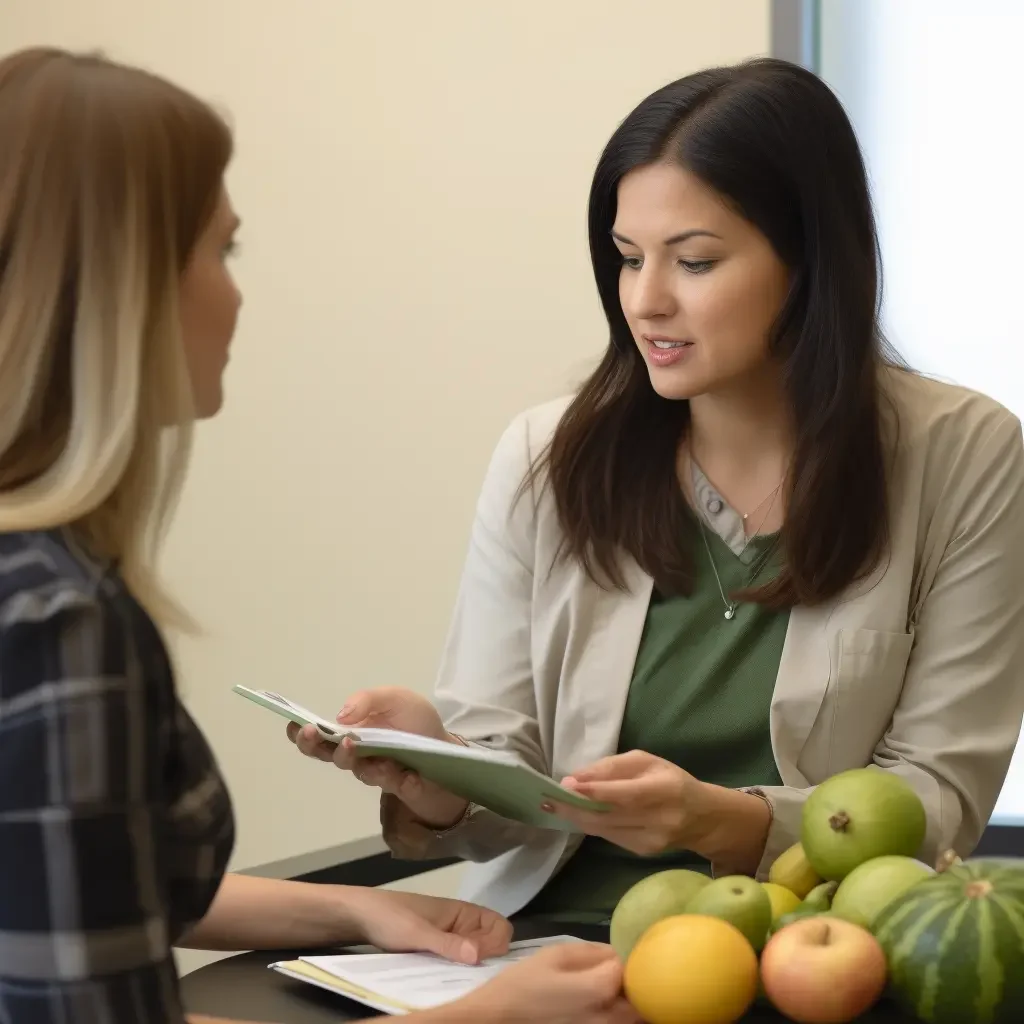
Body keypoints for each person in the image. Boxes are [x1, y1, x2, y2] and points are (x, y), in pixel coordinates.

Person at [290, 56, 1024, 924]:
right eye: (628, 258)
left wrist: (726, 820)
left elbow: (938, 800)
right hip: (538, 949)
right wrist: (439, 764)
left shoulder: (965, 454)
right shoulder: (546, 455)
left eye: (697, 261)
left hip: (812, 953)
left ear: (810, 260)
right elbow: (501, 787)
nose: (645, 301)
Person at [0, 46, 638, 1024]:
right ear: (125, 288)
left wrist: (356, 907)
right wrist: (484, 1019)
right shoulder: (61, 623)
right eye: (223, 250)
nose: (237, 294)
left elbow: (68, 892)